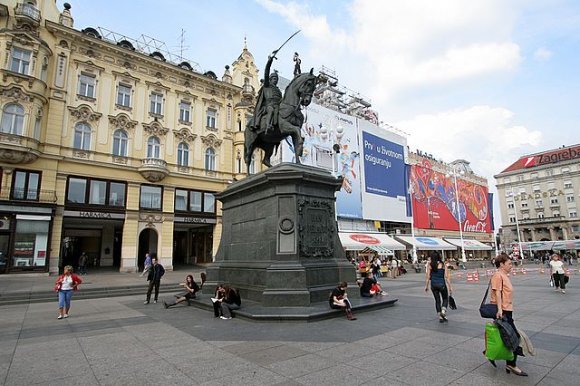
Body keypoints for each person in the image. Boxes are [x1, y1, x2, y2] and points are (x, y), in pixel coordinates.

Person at [490, 253, 528, 376]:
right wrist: (500, 310)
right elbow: (497, 293)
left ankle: (491, 354)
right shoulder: (498, 275)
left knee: (505, 336)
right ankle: (511, 365)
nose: (511, 266)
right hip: (503, 311)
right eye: (509, 264)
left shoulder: (504, 275)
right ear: (501, 264)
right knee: (514, 337)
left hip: (507, 309)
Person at [250, 51, 282, 133]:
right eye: (274, 79)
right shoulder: (267, 85)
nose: (276, 81)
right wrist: (269, 61)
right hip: (269, 105)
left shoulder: (278, 90)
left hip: (277, 105)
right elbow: (266, 71)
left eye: (277, 79)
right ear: (270, 79)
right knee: (271, 110)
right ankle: (268, 126)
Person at [424, 251, 452, 323]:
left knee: (437, 300)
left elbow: (428, 277)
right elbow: (446, 277)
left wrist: (426, 286)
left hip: (433, 285)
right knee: (445, 299)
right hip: (442, 284)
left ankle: (440, 316)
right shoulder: (443, 265)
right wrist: (450, 286)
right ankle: (443, 311)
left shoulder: (429, 265)